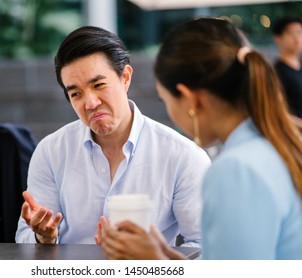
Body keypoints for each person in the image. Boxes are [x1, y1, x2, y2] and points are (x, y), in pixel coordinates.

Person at [101, 17, 302, 260]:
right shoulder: (275, 145)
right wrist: (166, 256)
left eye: (165, 100)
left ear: (189, 98)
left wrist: (154, 263)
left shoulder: (235, 169)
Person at [15, 26, 211, 245]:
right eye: (76, 94)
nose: (90, 103)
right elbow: (24, 238)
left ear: (125, 77)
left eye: (98, 85)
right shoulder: (51, 151)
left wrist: (151, 263)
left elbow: (205, 246)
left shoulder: (183, 156)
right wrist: (43, 237)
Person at [272, 16, 302, 128]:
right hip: (294, 135)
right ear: (278, 38)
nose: (297, 38)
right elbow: (275, 111)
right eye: (290, 33)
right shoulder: (275, 72)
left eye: (299, 32)